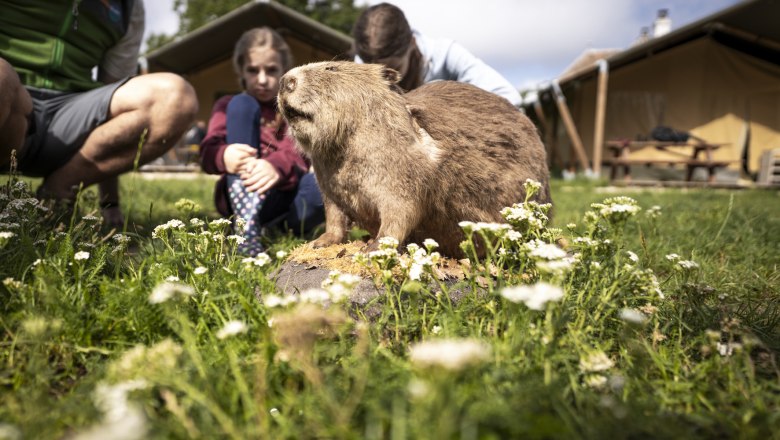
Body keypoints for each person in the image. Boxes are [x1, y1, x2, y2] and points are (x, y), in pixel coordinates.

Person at [0, 0, 198, 227]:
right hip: (10, 105)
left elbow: (113, 90)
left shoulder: (128, 8)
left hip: (71, 116)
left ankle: (59, 190)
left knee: (175, 97)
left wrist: (109, 201)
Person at [199, 27, 324, 255]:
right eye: (253, 70)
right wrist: (223, 155)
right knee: (242, 104)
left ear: (285, 71)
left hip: (287, 199)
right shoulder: (227, 104)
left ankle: (281, 227)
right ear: (241, 71)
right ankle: (246, 226)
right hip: (241, 191)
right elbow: (208, 150)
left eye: (272, 70)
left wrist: (275, 166)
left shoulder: (295, 109)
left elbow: (299, 154)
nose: (263, 79)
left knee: (321, 187)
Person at [352, 2, 522, 107]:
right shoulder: (361, 66)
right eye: (374, 70)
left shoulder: (446, 54)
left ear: (412, 43)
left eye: (393, 68)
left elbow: (508, 98)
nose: (384, 80)